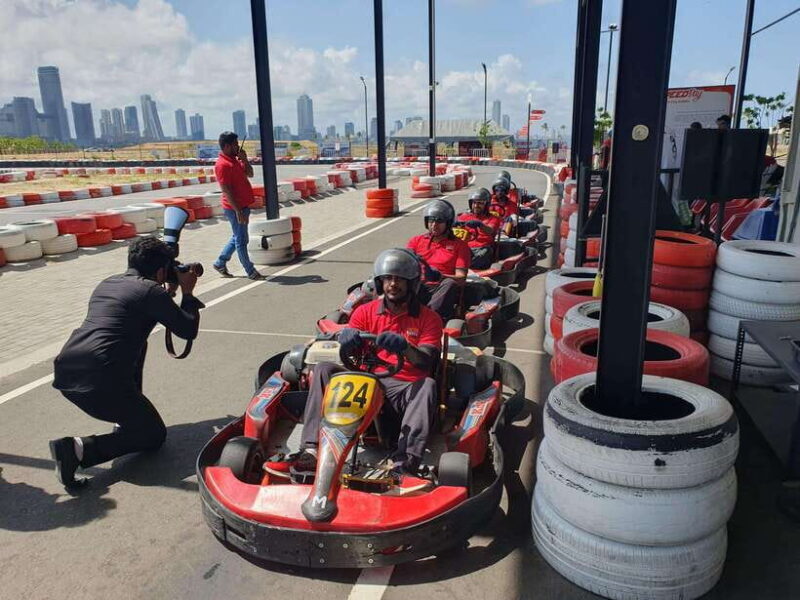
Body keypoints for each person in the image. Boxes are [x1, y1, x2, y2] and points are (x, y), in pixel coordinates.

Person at [49, 237, 204, 488]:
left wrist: (169, 290)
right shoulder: (151, 292)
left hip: (68, 373)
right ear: (162, 270)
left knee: (135, 346)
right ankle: (76, 450)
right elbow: (187, 329)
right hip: (101, 382)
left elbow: (135, 314)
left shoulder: (108, 283)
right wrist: (187, 292)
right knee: (153, 435)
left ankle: (125, 418)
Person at [293, 249, 442, 476]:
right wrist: (348, 342)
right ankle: (312, 449)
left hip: (403, 388)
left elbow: (426, 360)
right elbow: (350, 353)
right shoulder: (364, 312)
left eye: (400, 279)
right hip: (364, 379)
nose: (393, 284)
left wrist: (405, 347)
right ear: (380, 282)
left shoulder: (429, 318)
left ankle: (404, 462)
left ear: (412, 283)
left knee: (428, 385)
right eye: (388, 278)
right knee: (323, 368)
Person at [407, 200, 471, 321]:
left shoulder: (460, 245)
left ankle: (429, 319)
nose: (434, 225)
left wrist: (440, 276)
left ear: (448, 223)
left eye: (439, 221)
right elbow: (404, 264)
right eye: (431, 220)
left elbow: (461, 278)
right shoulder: (416, 241)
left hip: (440, 287)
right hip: (417, 285)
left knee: (450, 283)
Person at [212, 131, 264, 280]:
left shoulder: (235, 160)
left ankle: (220, 262)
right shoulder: (222, 165)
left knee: (238, 237)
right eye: (235, 144)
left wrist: (245, 160)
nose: (237, 146)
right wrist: (238, 211)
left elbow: (250, 174)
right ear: (227, 146)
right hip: (235, 208)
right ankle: (250, 270)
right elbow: (226, 190)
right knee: (241, 240)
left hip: (243, 206)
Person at [456, 188, 502, 269]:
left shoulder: (493, 218)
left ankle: (462, 267)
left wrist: (480, 225)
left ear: (486, 204)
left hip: (482, 248)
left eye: (480, 203)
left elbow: (490, 230)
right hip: (464, 247)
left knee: (485, 252)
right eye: (474, 203)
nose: (476, 206)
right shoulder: (463, 217)